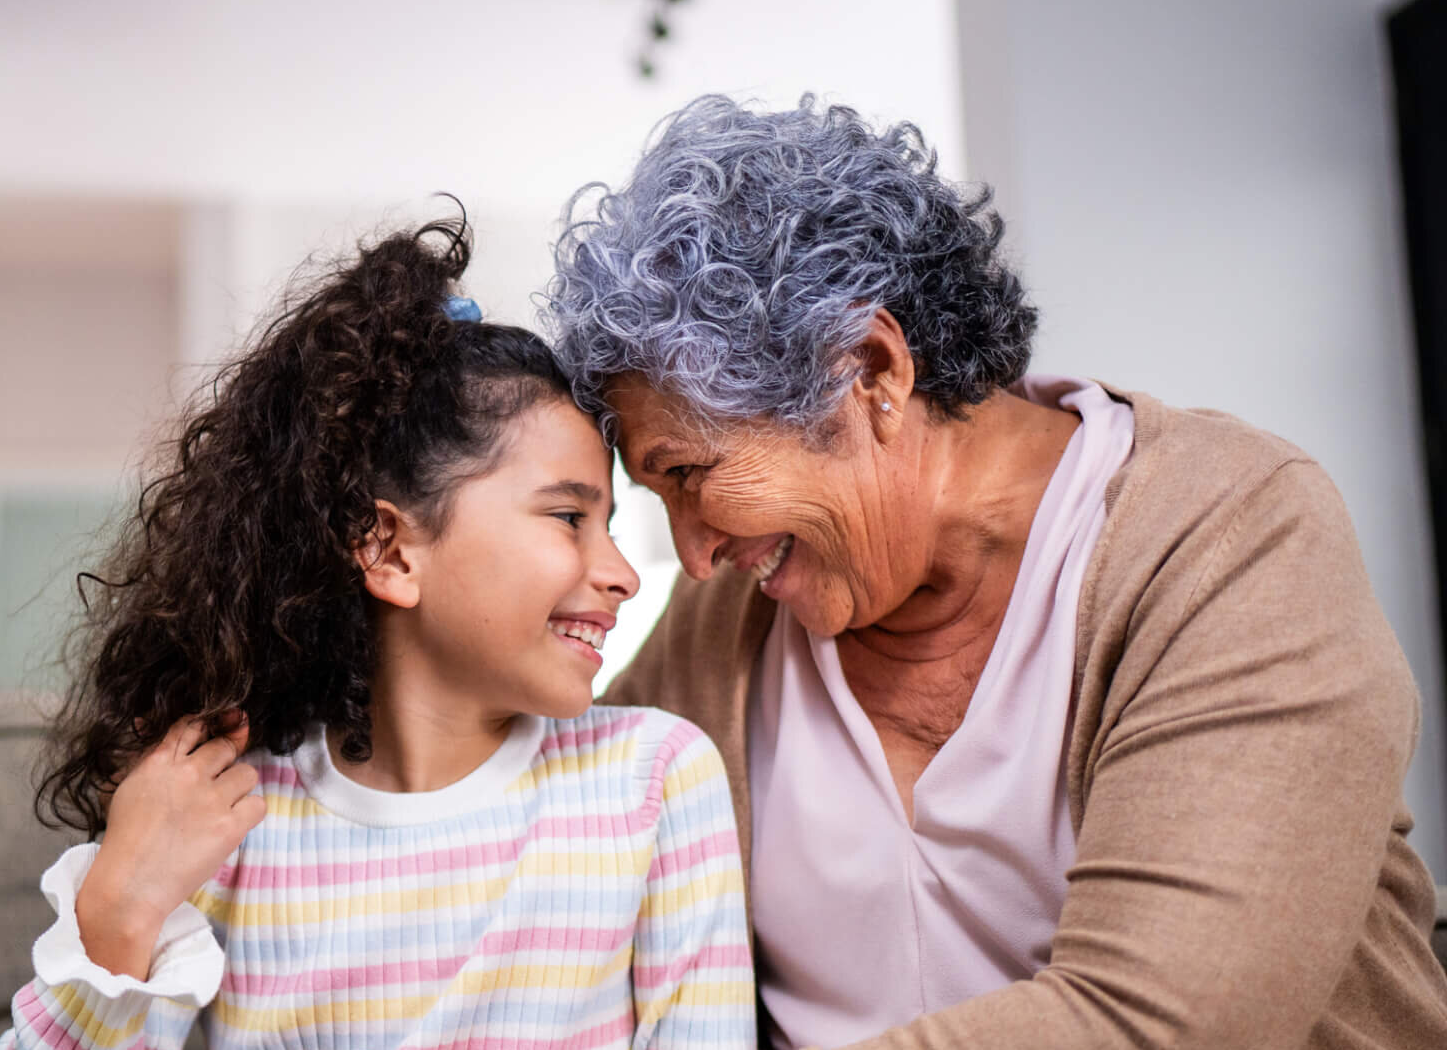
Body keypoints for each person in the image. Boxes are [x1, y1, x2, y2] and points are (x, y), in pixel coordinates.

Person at [544, 94, 1447, 1048]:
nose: (692, 554)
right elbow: (545, 828)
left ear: (873, 369)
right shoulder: (722, 622)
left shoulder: (1230, 534)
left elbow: (1162, 1021)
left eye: (691, 474)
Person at [0, 217, 752, 1049]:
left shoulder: (653, 785)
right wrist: (120, 905)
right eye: (569, 515)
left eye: (608, 523)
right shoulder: (231, 815)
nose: (624, 574)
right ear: (388, 549)